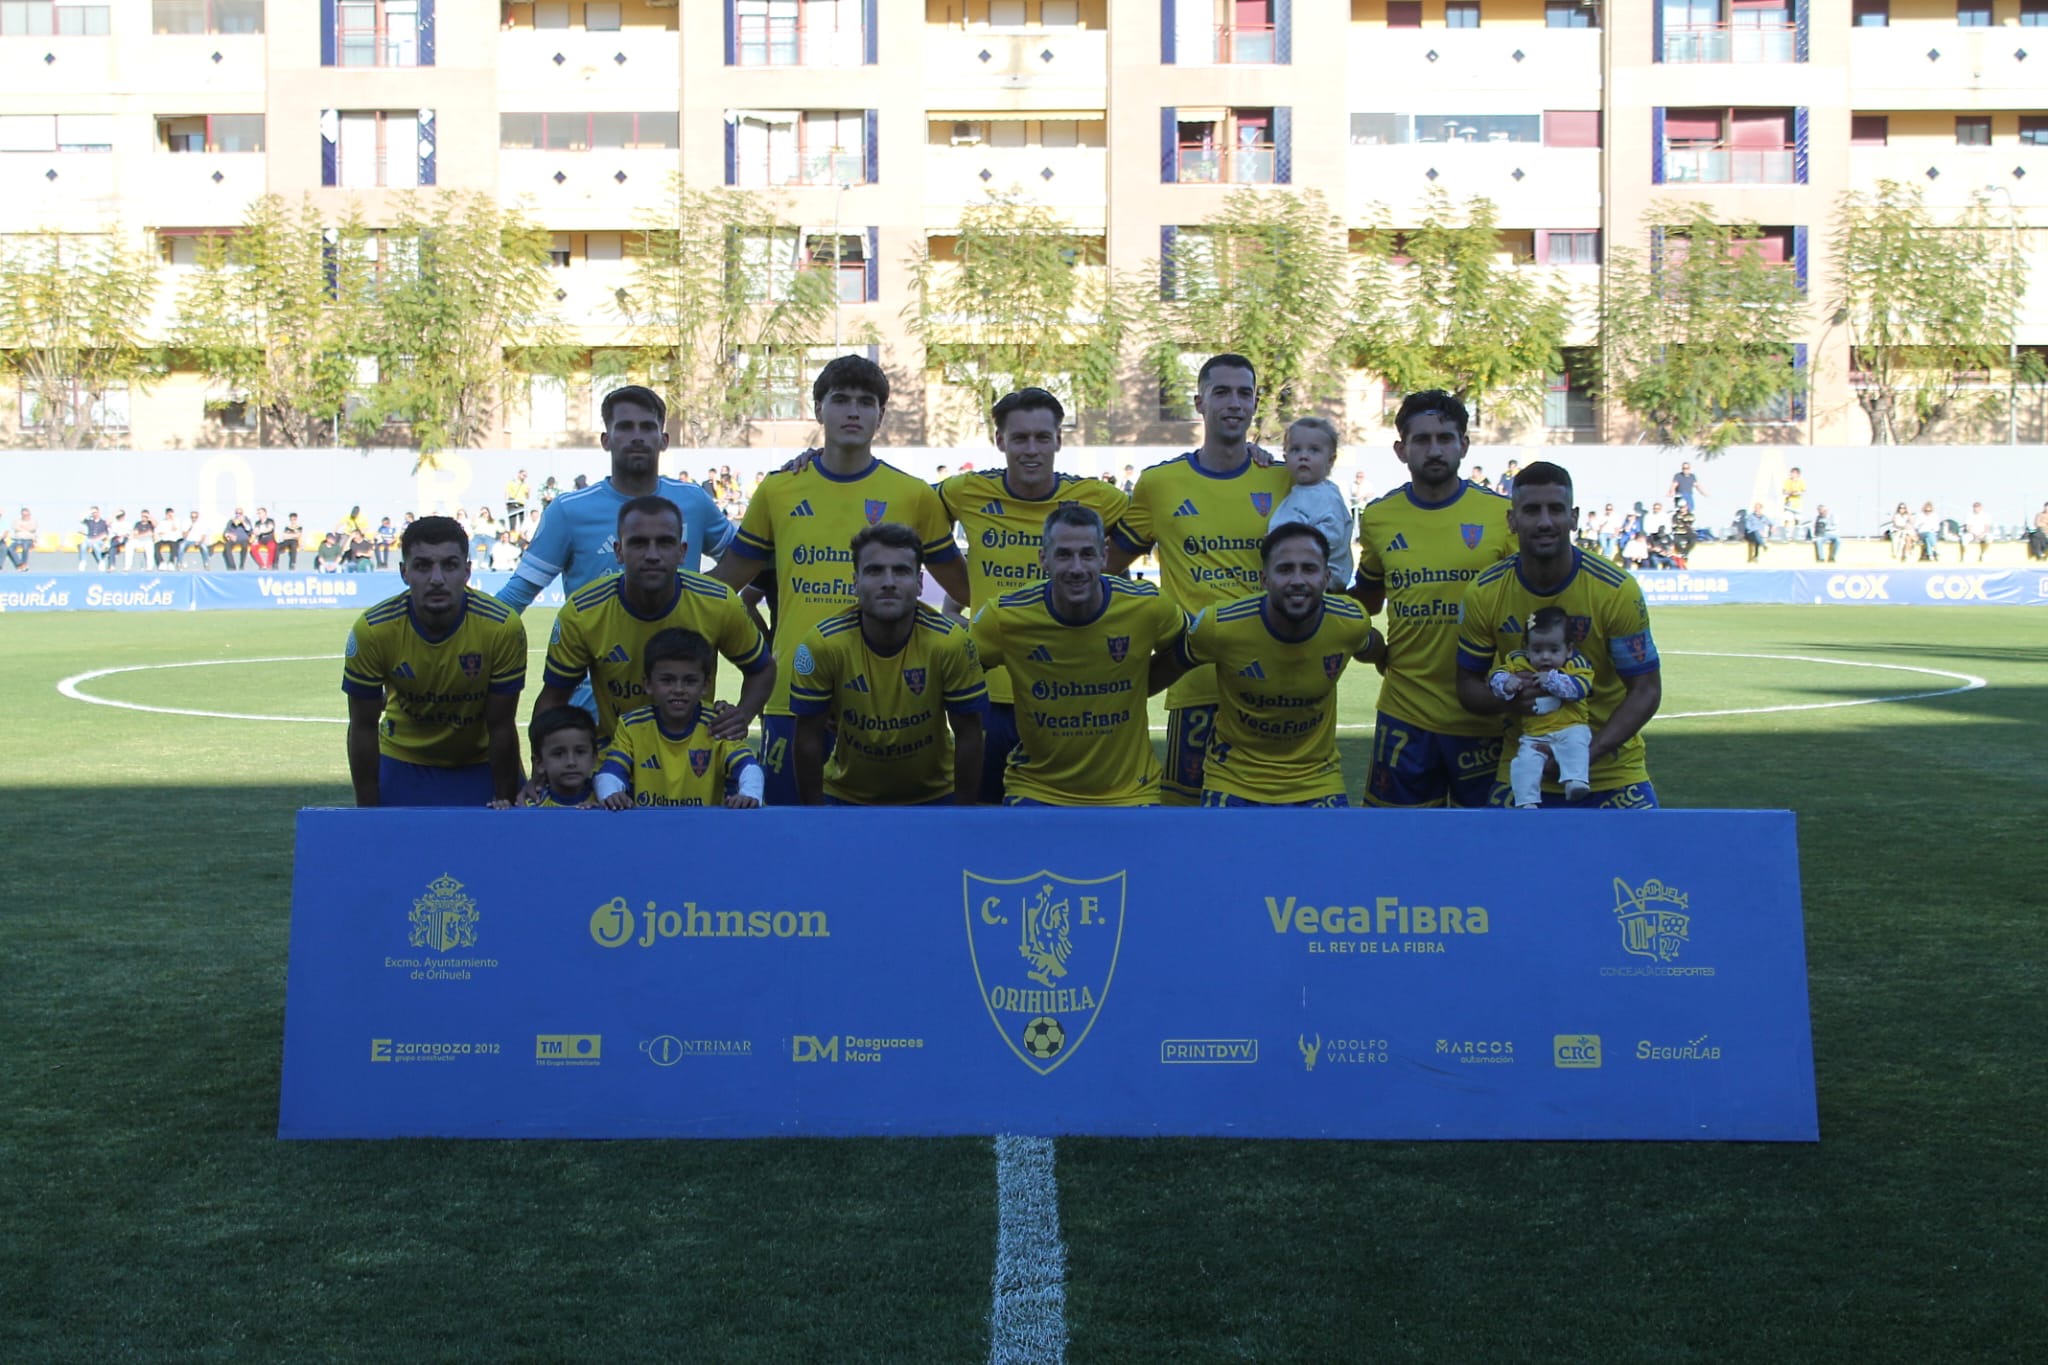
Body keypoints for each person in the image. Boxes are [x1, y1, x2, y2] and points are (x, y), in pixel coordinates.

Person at [712, 355, 968, 805]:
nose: (853, 411)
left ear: (881, 415)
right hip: (793, 693)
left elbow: (967, 589)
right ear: (818, 409)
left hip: (890, 705)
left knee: (891, 837)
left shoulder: (913, 495)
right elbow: (725, 583)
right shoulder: (778, 489)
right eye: (840, 400)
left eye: (866, 402)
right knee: (796, 836)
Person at [1106, 353, 1292, 804]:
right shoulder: (1159, 484)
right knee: (1186, 820)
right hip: (1192, 681)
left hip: (1275, 685)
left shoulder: (1283, 480)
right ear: (1199, 403)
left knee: (1272, 817)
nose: (1234, 403)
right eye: (1221, 392)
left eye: (1244, 393)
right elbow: (1106, 564)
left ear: (1255, 404)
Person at [933, 387, 1126, 803]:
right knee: (980, 817)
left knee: (1063, 817)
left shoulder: (1101, 499)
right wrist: (957, 597)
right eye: (1019, 438)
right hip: (988, 693)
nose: (1032, 449)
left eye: (1042, 437)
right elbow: (911, 512)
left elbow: (1140, 540)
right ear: (1000, 441)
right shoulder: (965, 492)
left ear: (1059, 440)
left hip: (1067, 695)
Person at [1454, 460, 1663, 809]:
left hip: (1612, 770)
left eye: (1555, 509)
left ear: (1574, 517)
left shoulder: (1615, 590)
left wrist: (1581, 759)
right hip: (1525, 767)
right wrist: (1508, 698)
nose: (1545, 521)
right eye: (1531, 510)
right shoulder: (1484, 592)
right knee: (1497, 847)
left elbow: (1646, 690)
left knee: (1650, 847)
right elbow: (1467, 687)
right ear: (1512, 520)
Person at [1349, 389, 1514, 810]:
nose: (1435, 450)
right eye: (1421, 440)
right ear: (1401, 450)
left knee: (1490, 842)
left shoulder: (1503, 515)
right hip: (1406, 715)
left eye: (1445, 438)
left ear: (1464, 444)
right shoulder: (1379, 517)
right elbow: (1367, 601)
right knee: (1397, 841)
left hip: (1487, 715)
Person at [1153, 524, 1381, 807]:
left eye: (1309, 569)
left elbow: (1373, 648)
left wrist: (1387, 662)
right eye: (1284, 569)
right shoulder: (1221, 626)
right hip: (1234, 780)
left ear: (1326, 577)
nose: (1297, 580)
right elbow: (1165, 668)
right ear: (1264, 579)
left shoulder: (1350, 622)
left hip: (1317, 780)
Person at [971, 505, 1185, 807]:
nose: (1076, 568)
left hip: (1131, 791)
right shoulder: (1004, 617)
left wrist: (1141, 685)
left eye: (1086, 554)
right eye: (1063, 555)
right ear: (1043, 558)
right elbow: (957, 675)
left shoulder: (1147, 606)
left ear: (1104, 556)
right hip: (1037, 789)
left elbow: (1186, 649)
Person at [534, 495, 773, 750]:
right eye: (638, 543)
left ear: (682, 552)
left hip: (695, 763)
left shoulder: (719, 602)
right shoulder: (582, 613)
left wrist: (742, 715)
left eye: (664, 543)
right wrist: (541, 762)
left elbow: (763, 669)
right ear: (619, 551)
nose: (652, 555)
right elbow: (553, 699)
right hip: (615, 760)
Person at [789, 523, 988, 806]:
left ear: (919, 583)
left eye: (901, 571)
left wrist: (961, 814)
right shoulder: (822, 644)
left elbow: (969, 735)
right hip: (845, 794)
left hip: (936, 795)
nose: (889, 582)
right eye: (874, 571)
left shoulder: (951, 643)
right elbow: (808, 737)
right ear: (855, 581)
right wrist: (814, 815)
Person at [341, 515, 527, 807]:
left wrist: (505, 798)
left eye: (449, 565)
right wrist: (368, 810)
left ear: (467, 571)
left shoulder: (502, 627)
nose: (437, 579)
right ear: (404, 572)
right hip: (402, 758)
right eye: (423, 566)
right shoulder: (373, 630)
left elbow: (502, 725)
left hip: (479, 761)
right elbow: (362, 726)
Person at [594, 629, 764, 810]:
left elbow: (748, 767)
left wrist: (749, 794)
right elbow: (610, 772)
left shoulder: (717, 724)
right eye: (667, 680)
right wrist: (612, 794)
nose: (678, 689)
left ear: (705, 685)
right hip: (649, 825)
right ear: (648, 684)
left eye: (690, 681)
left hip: (704, 825)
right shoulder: (631, 726)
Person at [1488, 605, 1596, 808]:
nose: (1545, 657)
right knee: (1524, 762)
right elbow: (1495, 676)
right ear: (1526, 648)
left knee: (1577, 743)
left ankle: (1575, 781)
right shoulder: (1518, 661)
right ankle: (1526, 801)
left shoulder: (1577, 664)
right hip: (1534, 734)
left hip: (1570, 727)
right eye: (1537, 650)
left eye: (1554, 650)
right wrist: (1506, 682)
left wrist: (1552, 680)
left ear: (1569, 649)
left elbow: (1579, 689)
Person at [1267, 416, 1353, 591]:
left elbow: (1332, 535)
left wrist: (1287, 541)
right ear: (1285, 457)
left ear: (1330, 460)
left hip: (1321, 581)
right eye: (1295, 450)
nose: (1303, 456)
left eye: (1314, 450)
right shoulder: (1297, 491)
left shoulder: (1327, 495)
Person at [514, 706, 600, 809]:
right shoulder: (531, 807)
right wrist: (500, 810)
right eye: (558, 754)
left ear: (594, 758)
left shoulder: (606, 800)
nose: (571, 762)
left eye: (580, 752)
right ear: (539, 763)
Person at [78, 506, 110, 571]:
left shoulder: (103, 522)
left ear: (98, 512)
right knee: (83, 545)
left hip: (99, 541)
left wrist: (97, 539)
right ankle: (83, 562)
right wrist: (88, 513)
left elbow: (106, 534)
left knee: (95, 545)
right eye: (93, 513)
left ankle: (101, 562)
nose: (94, 514)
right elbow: (80, 519)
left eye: (95, 512)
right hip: (89, 540)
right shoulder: (89, 522)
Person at [505, 468, 531, 534]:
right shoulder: (512, 482)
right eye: (523, 475)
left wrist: (529, 491)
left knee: (523, 522)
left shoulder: (525, 484)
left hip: (521, 504)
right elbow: (507, 493)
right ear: (519, 474)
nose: (524, 477)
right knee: (512, 523)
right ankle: (512, 535)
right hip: (512, 503)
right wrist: (506, 503)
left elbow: (527, 497)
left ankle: (522, 535)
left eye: (526, 476)